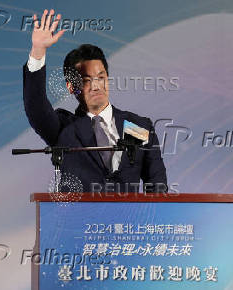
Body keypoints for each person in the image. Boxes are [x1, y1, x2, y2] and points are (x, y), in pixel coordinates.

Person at [23, 9, 167, 193]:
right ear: (71, 87)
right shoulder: (64, 129)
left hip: (128, 221)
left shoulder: (135, 127)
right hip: (80, 220)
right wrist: (37, 52)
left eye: (100, 77)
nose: (96, 86)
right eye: (86, 80)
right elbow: (36, 108)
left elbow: (157, 185)